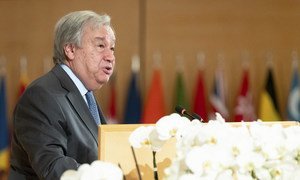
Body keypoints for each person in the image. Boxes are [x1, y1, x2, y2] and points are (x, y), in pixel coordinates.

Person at [9, 10, 116, 179]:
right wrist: (110, 175)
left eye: (112, 48)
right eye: (101, 46)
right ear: (70, 49)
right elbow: (53, 166)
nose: (110, 56)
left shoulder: (86, 96)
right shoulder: (42, 96)